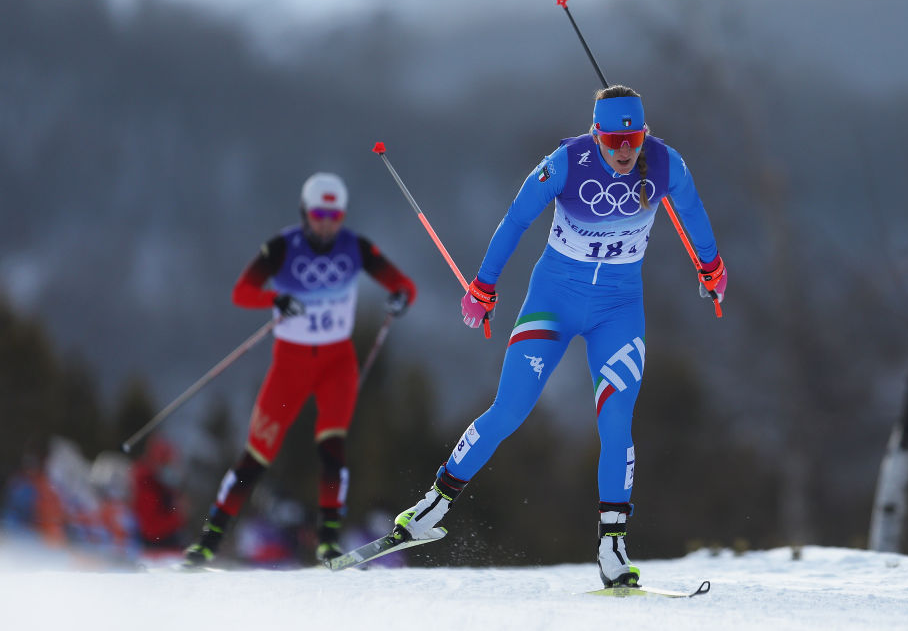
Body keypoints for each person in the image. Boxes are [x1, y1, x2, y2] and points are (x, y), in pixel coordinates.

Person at [389, 86, 726, 588]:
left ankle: (612, 547)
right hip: (553, 301)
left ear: (644, 132)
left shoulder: (665, 163)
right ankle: (430, 508)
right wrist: (483, 286)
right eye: (613, 140)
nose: (623, 151)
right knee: (509, 409)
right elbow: (516, 220)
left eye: (632, 138)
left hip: (619, 310)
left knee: (616, 423)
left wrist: (712, 264)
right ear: (597, 133)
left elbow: (694, 211)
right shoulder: (566, 162)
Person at [184, 172, 417, 567]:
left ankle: (328, 541)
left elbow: (404, 285)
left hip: (336, 363)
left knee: (332, 449)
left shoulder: (355, 247)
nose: (327, 222)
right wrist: (277, 298)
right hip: (290, 364)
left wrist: (399, 300)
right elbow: (242, 292)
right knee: (256, 455)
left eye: (335, 215)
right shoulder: (281, 247)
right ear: (305, 213)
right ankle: (208, 540)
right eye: (320, 213)